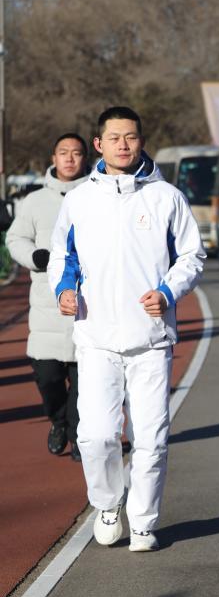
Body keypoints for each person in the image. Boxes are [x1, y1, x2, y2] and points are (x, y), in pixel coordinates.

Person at [48, 106, 205, 552]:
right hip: (95, 338)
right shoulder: (80, 199)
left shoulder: (166, 198)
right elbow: (64, 254)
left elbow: (191, 256)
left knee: (151, 439)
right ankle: (107, 502)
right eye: (113, 137)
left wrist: (169, 292)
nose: (122, 144)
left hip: (151, 339)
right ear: (98, 144)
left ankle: (143, 522)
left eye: (130, 137)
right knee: (95, 435)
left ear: (141, 141)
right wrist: (63, 288)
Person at [7, 133, 89, 460]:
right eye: (63, 153)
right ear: (53, 158)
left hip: (87, 307)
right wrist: (36, 258)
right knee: (49, 378)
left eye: (77, 153)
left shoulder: (97, 196)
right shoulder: (35, 201)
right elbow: (15, 240)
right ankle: (57, 422)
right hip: (46, 308)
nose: (70, 159)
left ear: (87, 158)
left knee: (84, 384)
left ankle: (77, 434)